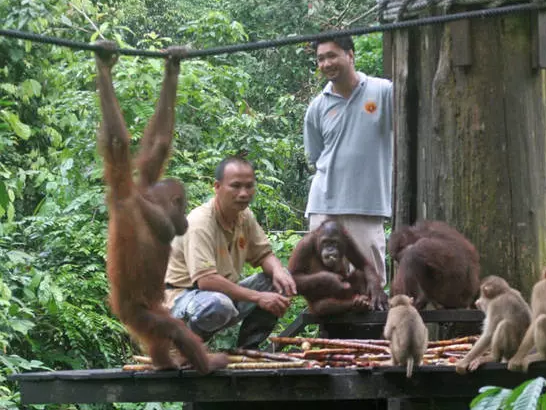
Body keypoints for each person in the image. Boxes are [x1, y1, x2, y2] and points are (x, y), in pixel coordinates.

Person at [164, 156, 296, 349]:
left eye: (249, 186)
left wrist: (279, 272)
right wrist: (258, 297)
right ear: (217, 187)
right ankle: (184, 347)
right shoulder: (200, 222)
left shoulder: (244, 216)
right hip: (181, 299)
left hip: (218, 296)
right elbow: (206, 281)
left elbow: (264, 254)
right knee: (219, 304)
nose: (243, 193)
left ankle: (249, 350)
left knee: (276, 281)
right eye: (235, 186)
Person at [304, 35, 393, 285]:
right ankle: (329, 326)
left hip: (366, 204)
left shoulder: (383, 92)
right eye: (320, 59)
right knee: (325, 280)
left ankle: (374, 326)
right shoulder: (317, 107)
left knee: (370, 280)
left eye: (332, 55)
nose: (326, 63)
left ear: (350, 55)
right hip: (324, 204)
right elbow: (316, 156)